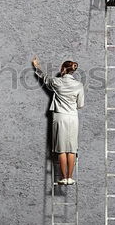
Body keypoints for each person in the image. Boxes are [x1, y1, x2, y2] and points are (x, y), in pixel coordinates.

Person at [32, 56, 85, 185]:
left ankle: (63, 177)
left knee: (61, 148)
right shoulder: (78, 85)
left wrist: (37, 67)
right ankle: (70, 177)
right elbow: (80, 104)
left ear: (62, 69)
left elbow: (45, 79)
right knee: (72, 148)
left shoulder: (56, 82)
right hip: (72, 117)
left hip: (60, 117)